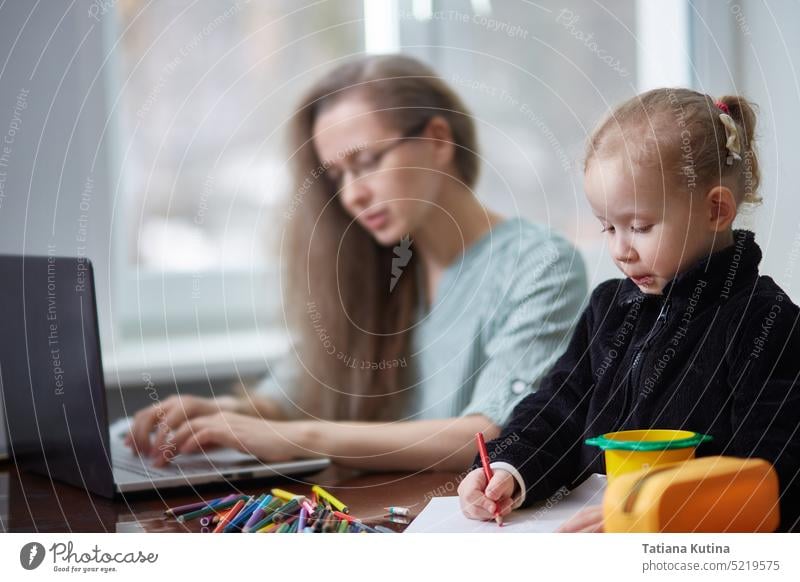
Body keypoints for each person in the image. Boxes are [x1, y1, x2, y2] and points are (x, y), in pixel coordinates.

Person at [125, 54, 586, 472]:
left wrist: (295, 438)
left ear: (439, 139)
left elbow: (487, 436)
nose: (351, 196)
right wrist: (222, 414)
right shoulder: (378, 269)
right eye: (337, 176)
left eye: (366, 162)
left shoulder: (542, 265)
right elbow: (290, 390)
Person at [458, 88, 800, 532]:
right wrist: (509, 469)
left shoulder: (766, 323)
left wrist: (655, 514)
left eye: (639, 227)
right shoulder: (610, 307)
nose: (621, 249)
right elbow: (559, 405)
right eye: (608, 227)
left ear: (716, 210)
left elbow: (775, 471)